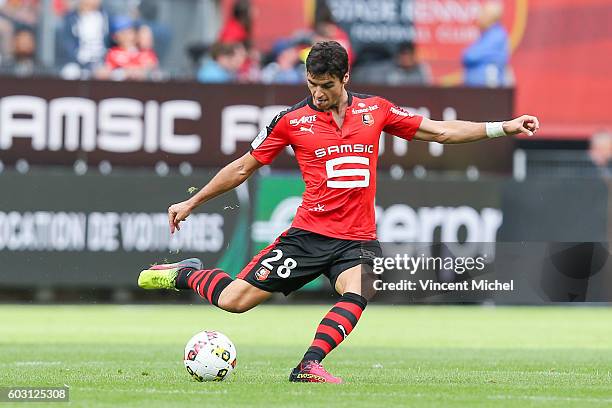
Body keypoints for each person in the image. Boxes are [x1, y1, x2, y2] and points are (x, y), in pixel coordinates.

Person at [138, 41, 539, 383]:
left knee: (362, 288)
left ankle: (309, 364)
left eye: (326, 86)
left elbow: (440, 131)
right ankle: (185, 273)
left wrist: (503, 127)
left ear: (345, 79)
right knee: (233, 302)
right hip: (308, 236)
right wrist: (191, 202)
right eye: (312, 84)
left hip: (357, 238)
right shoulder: (290, 121)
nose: (318, 94)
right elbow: (243, 167)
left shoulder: (376, 110)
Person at [462, 0, 510, 87]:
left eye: (482, 14)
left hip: (489, 91)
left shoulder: (496, 35)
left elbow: (470, 56)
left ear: (491, 17)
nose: (479, 17)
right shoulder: (486, 35)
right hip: (476, 91)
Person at [97, 16, 158, 81]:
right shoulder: (112, 53)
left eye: (130, 32)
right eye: (123, 33)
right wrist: (122, 73)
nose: (127, 37)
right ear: (115, 37)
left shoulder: (146, 53)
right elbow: (104, 73)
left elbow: (154, 72)